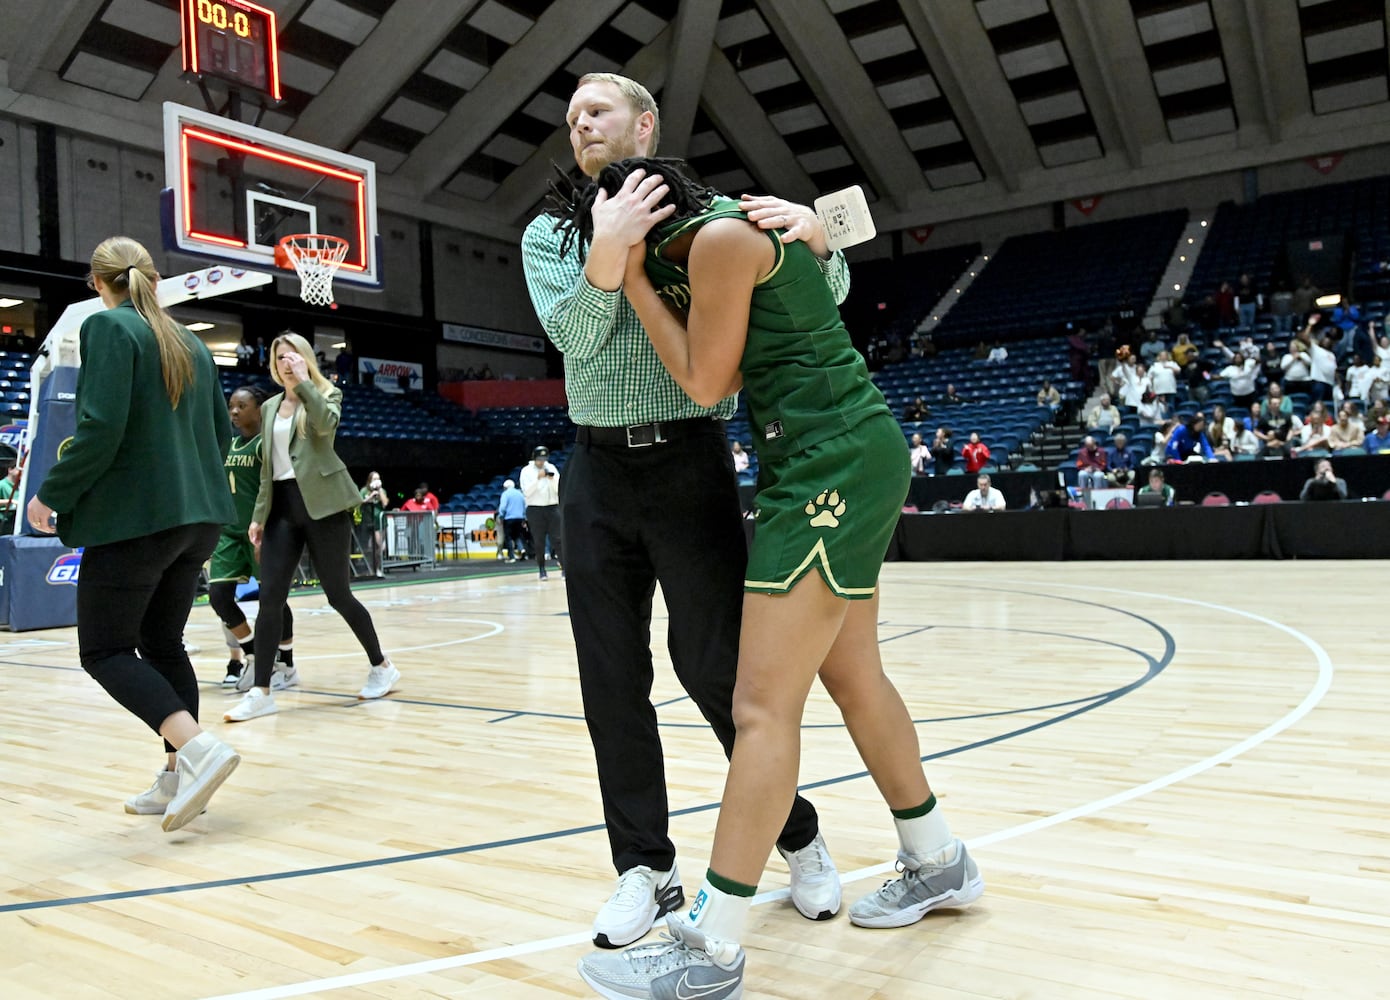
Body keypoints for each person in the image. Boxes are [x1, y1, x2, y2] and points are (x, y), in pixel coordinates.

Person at [571, 154, 981, 999]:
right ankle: (937, 858)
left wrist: (638, 280)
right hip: (837, 456)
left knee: (760, 709)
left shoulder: (717, 239)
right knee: (856, 676)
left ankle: (712, 946)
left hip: (827, 465)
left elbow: (704, 380)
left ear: (644, 216)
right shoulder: (725, 232)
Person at [521, 72, 841, 949]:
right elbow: (576, 337)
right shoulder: (549, 230)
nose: (580, 122)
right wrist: (606, 244)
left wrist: (823, 235)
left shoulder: (712, 214)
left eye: (598, 109)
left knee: (716, 671)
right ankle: (645, 870)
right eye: (572, 116)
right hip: (597, 472)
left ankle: (800, 838)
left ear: (644, 123)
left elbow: (826, 289)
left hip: (691, 463)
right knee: (610, 683)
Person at [24, 235, 239, 832]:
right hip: (199, 517)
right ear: (150, 276)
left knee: (105, 650)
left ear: (98, 283)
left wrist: (51, 494)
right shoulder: (189, 340)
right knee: (163, 643)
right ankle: (175, 777)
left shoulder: (108, 329)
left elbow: (99, 429)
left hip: (140, 520)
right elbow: (221, 436)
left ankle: (197, 749)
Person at [224, 333, 400, 722]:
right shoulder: (268, 406)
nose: (286, 362)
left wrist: (304, 383)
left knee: (338, 594)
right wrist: (258, 514)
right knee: (270, 597)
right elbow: (269, 469)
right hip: (281, 509)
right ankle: (262, 690)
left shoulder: (325, 394)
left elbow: (324, 427)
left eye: (293, 356)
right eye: (279, 357)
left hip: (325, 506)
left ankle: (382, 665)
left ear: (305, 358)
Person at [213, 385, 297, 689]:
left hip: (263, 530)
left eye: (241, 406)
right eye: (231, 406)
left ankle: (285, 665)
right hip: (230, 532)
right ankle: (253, 654)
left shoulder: (268, 444)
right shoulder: (229, 446)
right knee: (218, 596)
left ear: (259, 409)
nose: (234, 412)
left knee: (273, 600)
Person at [519, 445, 562, 580]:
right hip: (535, 508)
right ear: (534, 458)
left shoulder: (551, 467)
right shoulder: (526, 471)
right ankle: (542, 569)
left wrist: (552, 479)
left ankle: (564, 568)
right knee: (539, 541)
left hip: (552, 507)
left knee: (558, 539)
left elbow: (559, 488)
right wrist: (538, 479)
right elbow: (527, 492)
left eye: (543, 459)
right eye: (539, 459)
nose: (541, 462)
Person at [359, 470, 390, 577]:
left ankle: (378, 568)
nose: (377, 481)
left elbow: (385, 503)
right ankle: (370, 568)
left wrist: (379, 491)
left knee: (379, 546)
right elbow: (360, 501)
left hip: (379, 522)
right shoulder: (364, 490)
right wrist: (371, 496)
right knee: (368, 547)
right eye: (374, 479)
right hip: (367, 522)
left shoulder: (382, 490)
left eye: (378, 478)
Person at [497, 477, 526, 562]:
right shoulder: (520, 493)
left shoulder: (505, 494)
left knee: (508, 537)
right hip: (519, 518)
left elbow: (502, 507)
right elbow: (524, 506)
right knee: (517, 535)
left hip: (509, 518)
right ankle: (522, 549)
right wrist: (523, 517)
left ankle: (512, 556)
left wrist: (501, 516)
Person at [0, 462, 21, 534]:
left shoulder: (22, 487)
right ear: (10, 470)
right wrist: (10, 501)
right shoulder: (2, 484)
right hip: (4, 521)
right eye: (19, 469)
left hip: (16, 521)